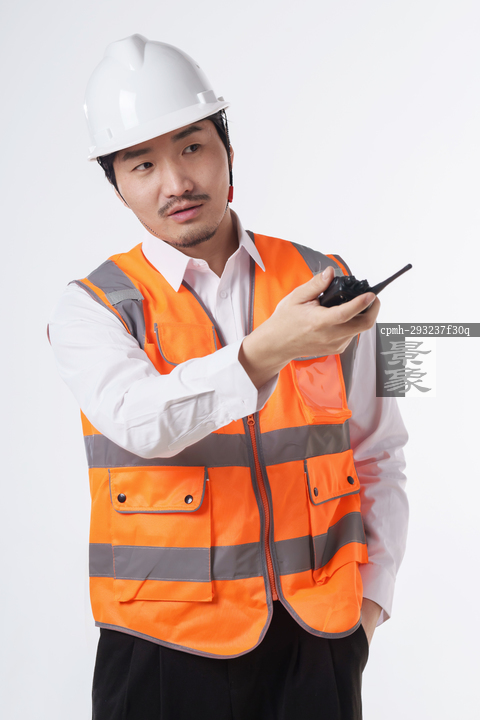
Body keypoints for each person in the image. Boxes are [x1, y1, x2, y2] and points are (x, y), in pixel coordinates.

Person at [49, 34, 408, 720]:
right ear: (117, 186)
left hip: (319, 642)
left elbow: (381, 451)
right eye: (142, 163)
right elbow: (141, 422)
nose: (176, 182)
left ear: (228, 151)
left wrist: (370, 608)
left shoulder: (321, 277)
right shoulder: (90, 308)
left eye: (192, 147)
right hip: (162, 650)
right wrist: (265, 351)